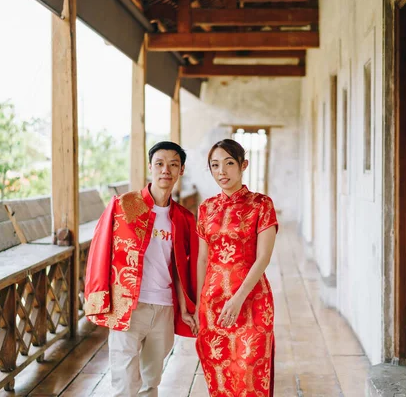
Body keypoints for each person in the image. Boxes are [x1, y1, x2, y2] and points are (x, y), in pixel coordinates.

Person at [84, 141, 199, 397]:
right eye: (159, 163)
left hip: (164, 309)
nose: (165, 170)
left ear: (181, 170)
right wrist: (99, 299)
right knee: (124, 385)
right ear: (150, 167)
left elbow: (181, 268)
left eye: (173, 164)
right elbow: (99, 251)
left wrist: (184, 307)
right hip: (128, 309)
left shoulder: (184, 218)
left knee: (151, 382)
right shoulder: (123, 206)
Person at [195, 139, 278, 396]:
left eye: (229, 163)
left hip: (252, 299)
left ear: (244, 165)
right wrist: (199, 303)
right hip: (214, 305)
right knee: (219, 375)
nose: (222, 171)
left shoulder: (261, 204)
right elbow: (202, 259)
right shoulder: (206, 208)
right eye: (215, 165)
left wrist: (238, 298)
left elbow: (263, 257)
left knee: (250, 372)